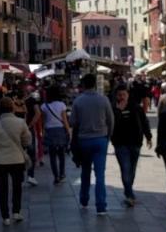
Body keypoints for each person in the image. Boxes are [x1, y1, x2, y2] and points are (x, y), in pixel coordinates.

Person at [69, 73, 115, 215]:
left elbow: (72, 122)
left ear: (83, 85)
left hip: (84, 140)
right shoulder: (104, 99)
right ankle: (101, 206)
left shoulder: (78, 101)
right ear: (95, 84)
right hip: (100, 139)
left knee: (85, 171)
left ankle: (84, 199)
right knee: (100, 174)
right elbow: (111, 120)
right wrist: (108, 136)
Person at [0, 95, 34, 225]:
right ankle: (16, 211)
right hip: (17, 159)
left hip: (0, 160)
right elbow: (28, 140)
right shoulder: (20, 122)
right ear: (13, 108)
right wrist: (21, 146)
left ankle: (5, 217)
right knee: (17, 186)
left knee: (2, 188)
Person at [111, 84, 151, 207]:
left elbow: (144, 122)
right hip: (120, 144)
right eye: (119, 95)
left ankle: (128, 190)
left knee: (132, 170)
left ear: (128, 95)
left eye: (124, 94)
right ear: (116, 96)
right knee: (125, 168)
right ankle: (129, 195)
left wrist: (148, 136)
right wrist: (118, 111)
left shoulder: (136, 107)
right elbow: (111, 124)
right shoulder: (113, 109)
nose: (122, 97)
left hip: (135, 143)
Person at [41, 84, 71, 184]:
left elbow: (44, 121)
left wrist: (43, 132)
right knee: (61, 154)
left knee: (52, 155)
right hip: (60, 130)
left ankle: (56, 176)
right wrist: (68, 131)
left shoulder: (44, 106)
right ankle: (62, 174)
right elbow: (64, 119)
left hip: (49, 131)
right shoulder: (61, 105)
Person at [23, 91, 42, 186]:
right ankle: (31, 176)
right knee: (31, 153)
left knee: (18, 152)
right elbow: (38, 113)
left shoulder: (13, 100)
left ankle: (19, 177)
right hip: (28, 129)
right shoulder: (32, 100)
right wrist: (30, 124)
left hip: (15, 128)